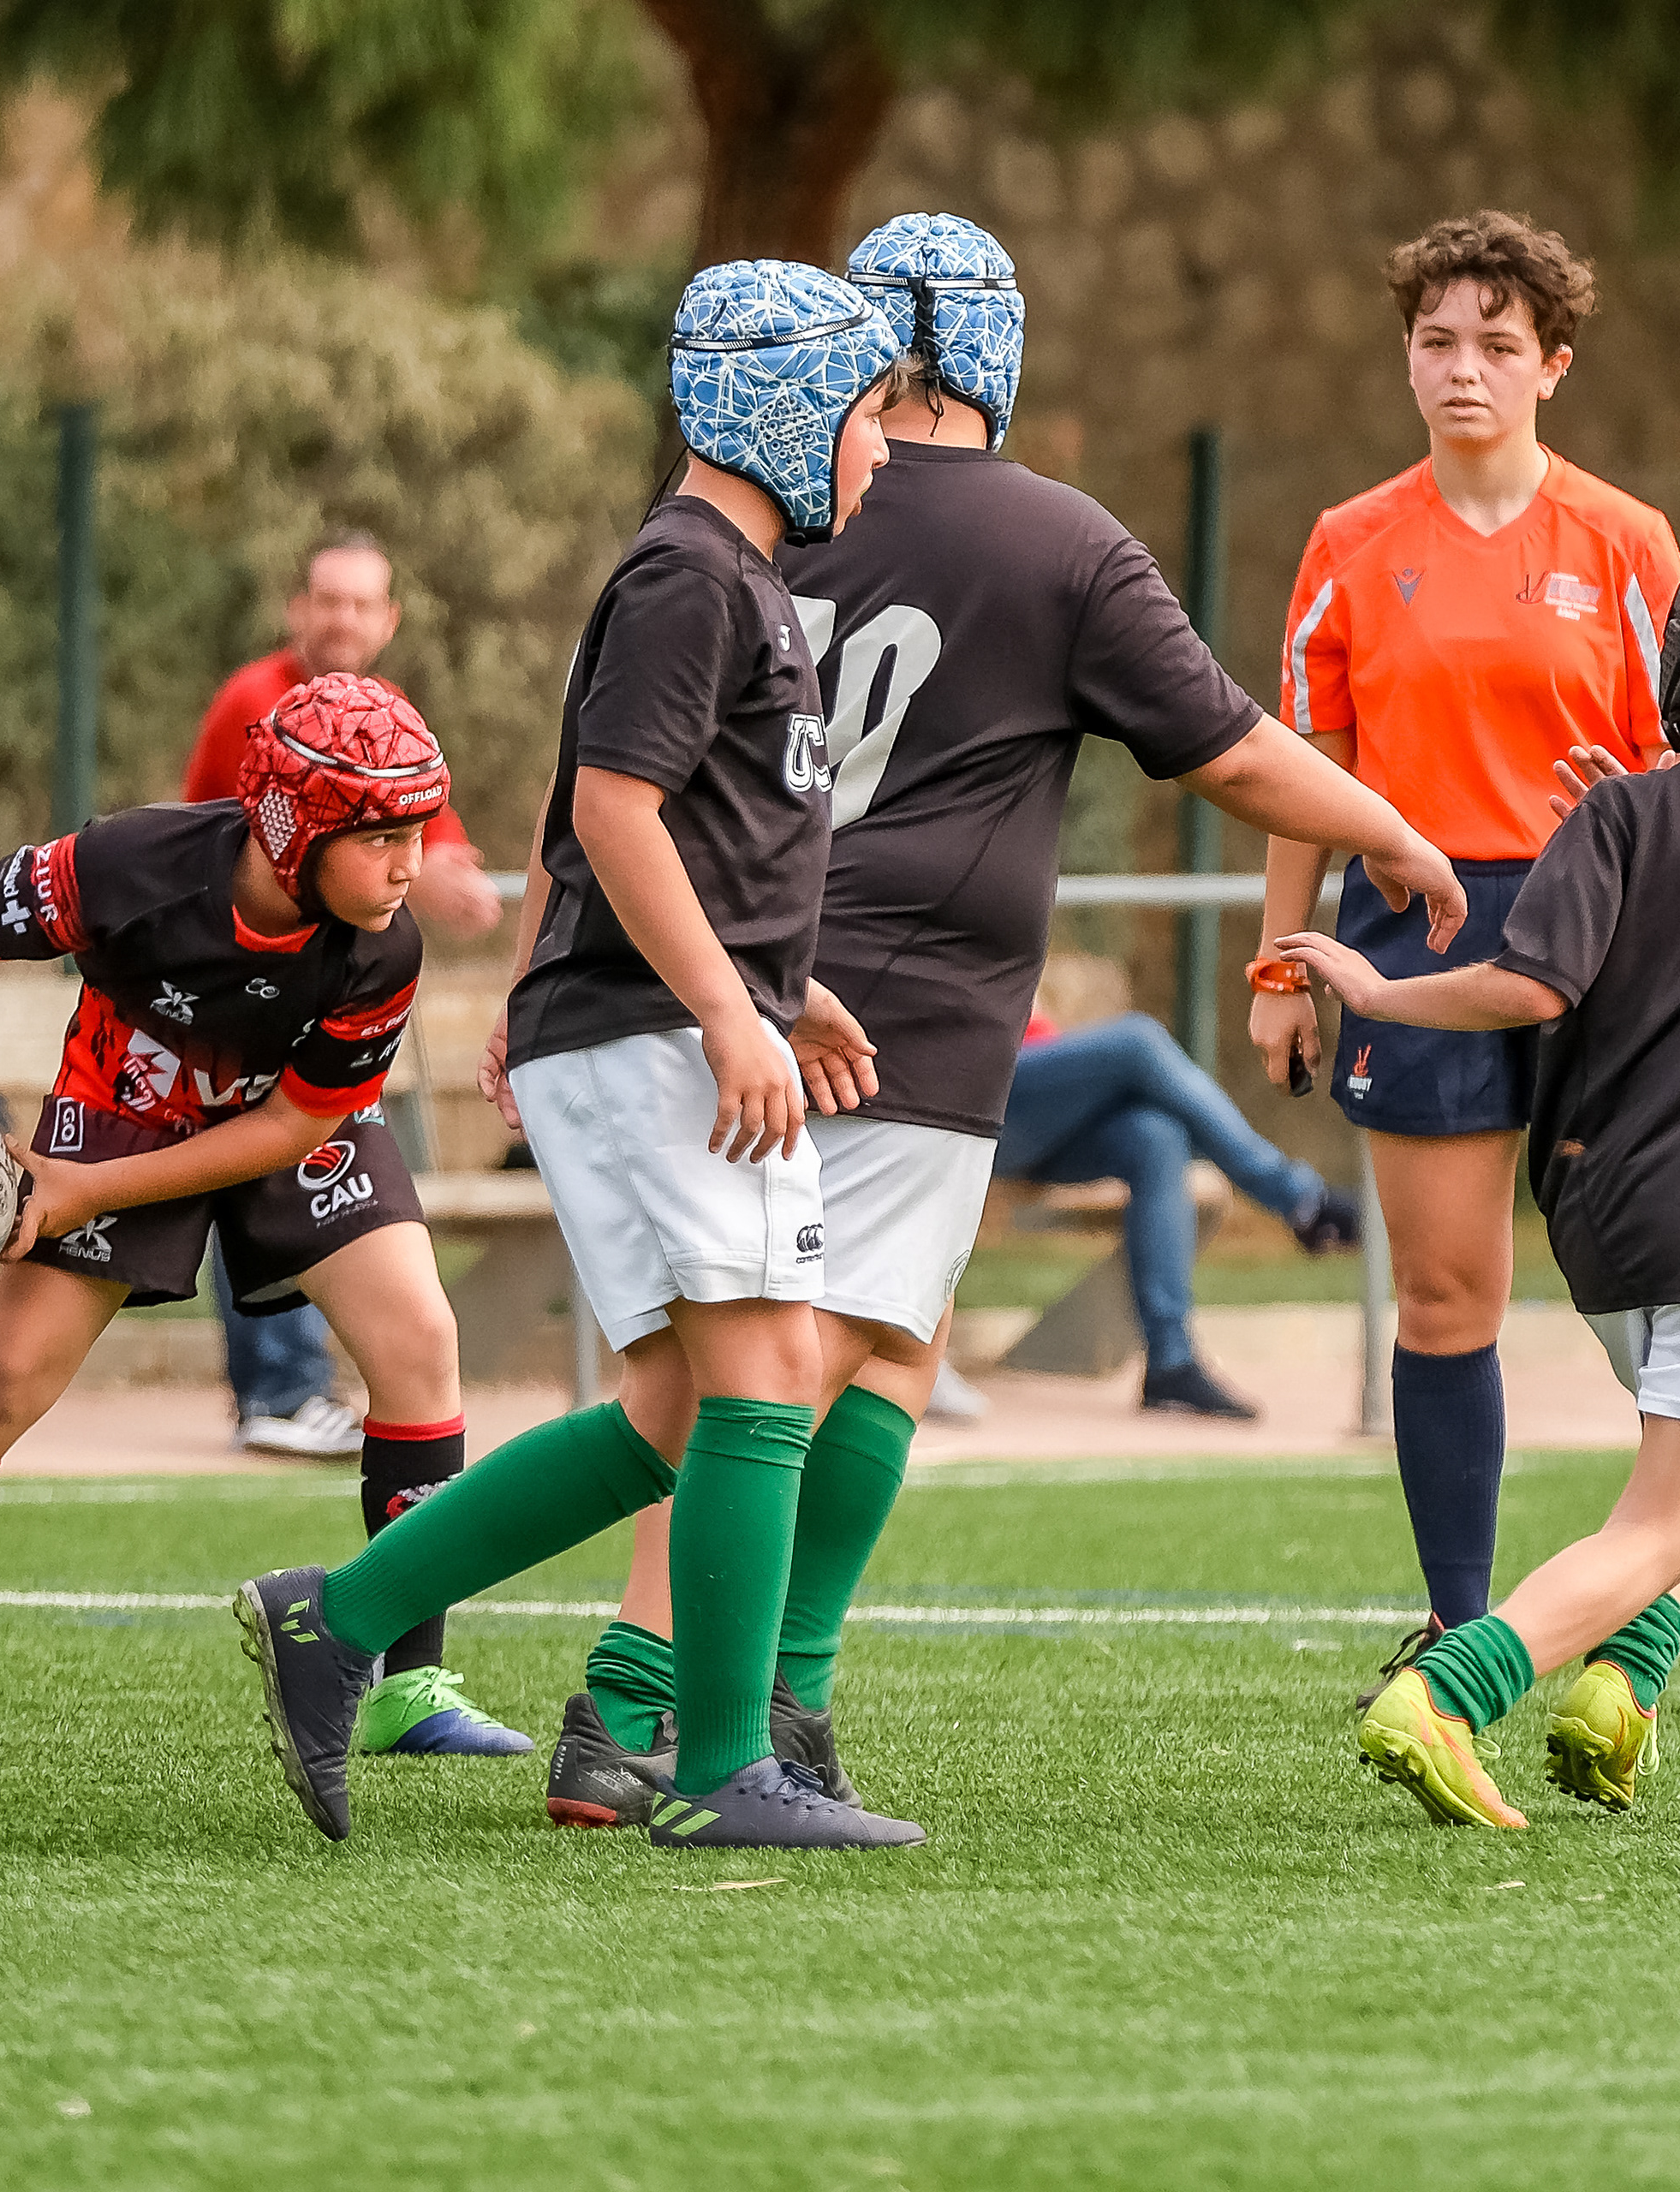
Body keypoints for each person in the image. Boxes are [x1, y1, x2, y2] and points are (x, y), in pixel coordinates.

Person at [533, 217, 1466, 1838]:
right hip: (891, 1010)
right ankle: (649, 1700)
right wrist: (1389, 826)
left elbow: (607, 765)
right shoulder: (1052, 537)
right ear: (984, 345)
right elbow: (1231, 749)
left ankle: (752, 1697)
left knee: (834, 1351)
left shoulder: (749, 507)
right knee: (790, 1371)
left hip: (727, 976)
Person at [229, 259, 925, 1853]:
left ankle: (339, 1621)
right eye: (866, 409)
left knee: (680, 1408)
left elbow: (695, 832)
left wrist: (778, 988)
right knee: (768, 1375)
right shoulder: (692, 574)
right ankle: (723, 1771)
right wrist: (730, 1011)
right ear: (786, 407)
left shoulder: (735, 576)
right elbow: (609, 811)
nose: (882, 446)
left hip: (655, 1020)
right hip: (647, 1033)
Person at [1260, 211, 1680, 1712]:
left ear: (1554, 365)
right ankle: (1457, 1623)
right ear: (1406, 357)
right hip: (1416, 927)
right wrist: (1280, 967)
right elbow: (1306, 774)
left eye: (1497, 343)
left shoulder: (1629, 540)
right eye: (1436, 340)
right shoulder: (1348, 542)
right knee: (1447, 1298)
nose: (1462, 367)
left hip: (1616, 919)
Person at [0, 671, 533, 1761]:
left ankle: (411, 1683)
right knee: (1, 1381)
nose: (411, 863)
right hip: (124, 1105)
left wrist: (88, 1193)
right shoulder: (132, 864)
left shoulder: (384, 945)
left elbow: (295, 1126)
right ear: (293, 828)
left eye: (418, 832)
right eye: (383, 837)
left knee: (420, 1339)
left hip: (288, 1119)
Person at [1278, 525, 1680, 1826]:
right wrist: (1382, 992)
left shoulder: (1621, 813)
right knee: (1666, 1525)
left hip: (1610, 1215)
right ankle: (1449, 1694)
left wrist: (1390, 983)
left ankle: (1615, 1696)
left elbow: (1534, 985)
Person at [181, 532, 503, 1457]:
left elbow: (424, 824)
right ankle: (278, 1389)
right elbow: (275, 830)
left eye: (363, 604)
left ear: (389, 619)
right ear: (299, 610)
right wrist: (423, 874)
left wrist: (448, 868)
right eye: (329, 600)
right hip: (238, 984)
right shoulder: (258, 699)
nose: (343, 619)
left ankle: (310, 1386)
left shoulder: (381, 709)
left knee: (316, 1164)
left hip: (330, 991)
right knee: (261, 1165)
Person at [995, 1006, 1364, 1419]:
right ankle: (1302, 1201)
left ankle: (1170, 1363)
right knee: (1137, 1040)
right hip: (970, 1101)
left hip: (1035, 1110)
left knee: (1157, 1137)